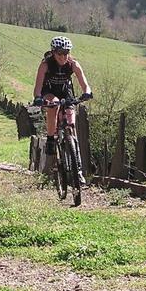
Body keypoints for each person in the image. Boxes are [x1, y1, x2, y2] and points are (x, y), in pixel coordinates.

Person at [32, 35, 92, 186]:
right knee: (54, 105)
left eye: (67, 52)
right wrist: (38, 98)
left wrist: (87, 92)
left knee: (71, 125)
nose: (64, 56)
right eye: (60, 53)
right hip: (49, 91)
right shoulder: (45, 65)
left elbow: (84, 83)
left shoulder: (73, 64)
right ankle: (51, 139)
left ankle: (78, 171)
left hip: (66, 92)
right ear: (53, 52)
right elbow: (37, 88)